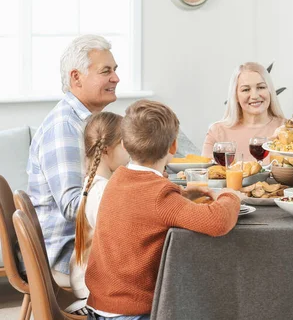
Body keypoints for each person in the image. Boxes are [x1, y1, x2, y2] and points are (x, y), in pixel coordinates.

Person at [85, 100, 240, 319]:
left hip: (101, 304)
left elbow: (144, 205)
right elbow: (218, 222)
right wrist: (230, 196)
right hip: (133, 313)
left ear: (125, 144)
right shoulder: (160, 196)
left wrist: (181, 195)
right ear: (173, 146)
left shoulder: (118, 179)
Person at [26, 34, 119, 287]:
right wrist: (125, 202)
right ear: (76, 77)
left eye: (115, 70)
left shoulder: (86, 121)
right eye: (106, 71)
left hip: (80, 243)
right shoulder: (66, 126)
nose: (116, 78)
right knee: (153, 260)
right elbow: (71, 207)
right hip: (68, 255)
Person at [70, 112, 129, 301]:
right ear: (105, 150)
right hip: (91, 287)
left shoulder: (96, 184)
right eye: (123, 143)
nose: (128, 150)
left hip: (87, 279)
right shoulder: (101, 191)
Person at [202, 62, 286, 162]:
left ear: (270, 91)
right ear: (236, 96)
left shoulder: (286, 129)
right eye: (246, 89)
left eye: (261, 87)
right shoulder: (217, 131)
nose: (254, 96)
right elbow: (205, 173)